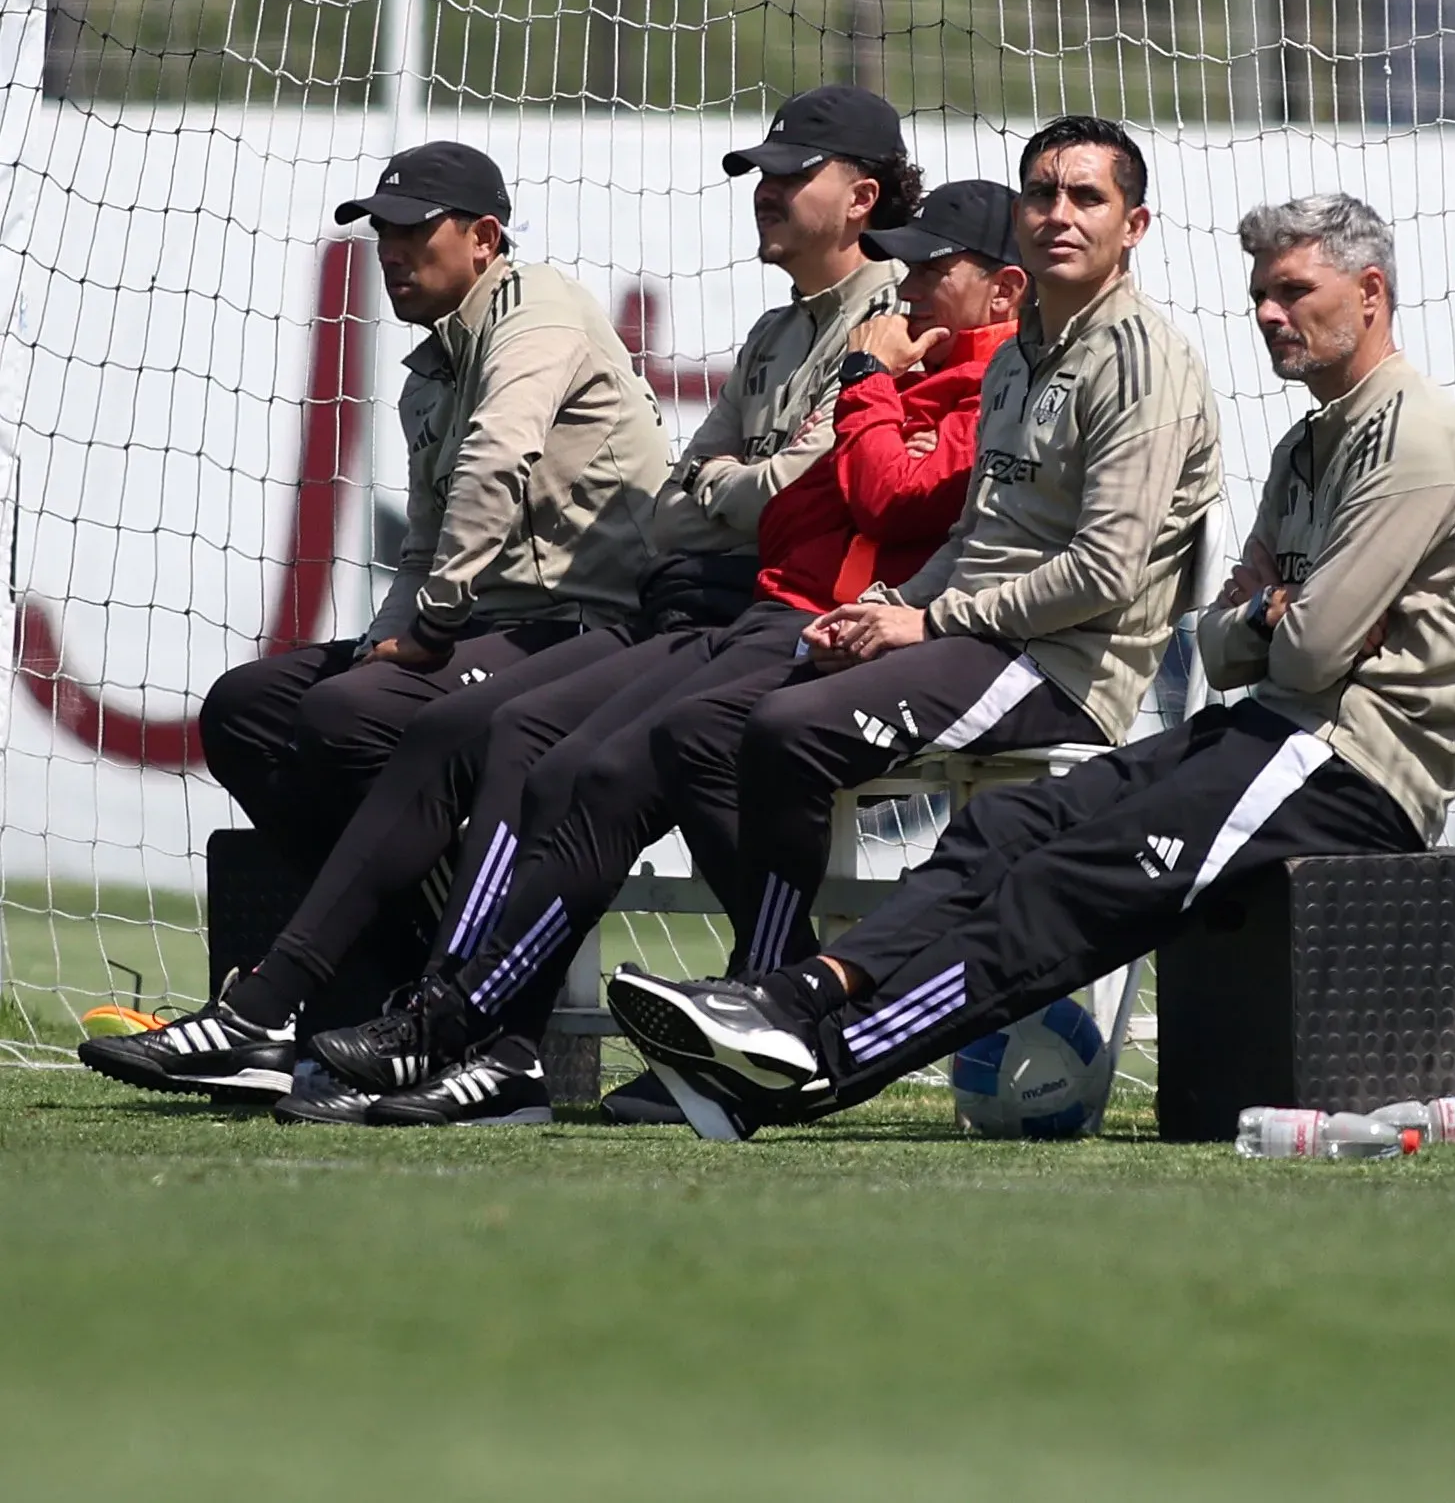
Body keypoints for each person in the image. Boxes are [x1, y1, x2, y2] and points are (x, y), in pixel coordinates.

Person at [604, 192, 1455, 1142]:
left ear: (1368, 293)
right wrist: (1266, 615)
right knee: (1005, 827)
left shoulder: (1412, 434)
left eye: (1292, 291)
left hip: (1352, 763)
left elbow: (1309, 647)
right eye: (1259, 293)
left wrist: (1272, 619)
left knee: (1063, 883)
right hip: (1270, 728)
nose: (1267, 312)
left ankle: (810, 1071)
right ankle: (793, 997)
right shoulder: (1302, 445)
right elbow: (1221, 647)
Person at [78, 91, 914, 1104]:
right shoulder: (760, 333)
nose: (392, 252)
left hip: (610, 621)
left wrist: (429, 627)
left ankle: (407, 1014)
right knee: (250, 707)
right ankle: (371, 997)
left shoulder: (865, 321)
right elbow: (678, 502)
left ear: (483, 238)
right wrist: (399, 634)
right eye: (381, 233)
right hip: (623, 618)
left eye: (412, 231)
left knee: (424, 724)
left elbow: (522, 468)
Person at [298, 179, 1027, 1127]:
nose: (911, 287)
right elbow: (728, 509)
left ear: (1003, 289)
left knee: (649, 749)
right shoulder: (875, 357)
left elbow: (882, 496)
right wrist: (830, 436)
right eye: (908, 265)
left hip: (850, 629)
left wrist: (862, 384)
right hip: (770, 609)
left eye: (932, 269)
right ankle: (487, 1038)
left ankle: (531, 1022)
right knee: (555, 751)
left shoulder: (970, 376)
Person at [638, 114, 1220, 988]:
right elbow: (970, 537)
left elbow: (1103, 573)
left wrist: (929, 619)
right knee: (696, 728)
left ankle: (774, 990)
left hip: (1056, 665)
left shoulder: (1139, 361)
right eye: (1041, 194)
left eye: (1086, 197)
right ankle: (775, 980)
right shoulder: (1021, 358)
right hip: (969, 639)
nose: (1059, 214)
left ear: (1132, 225)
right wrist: (884, 607)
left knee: (789, 729)